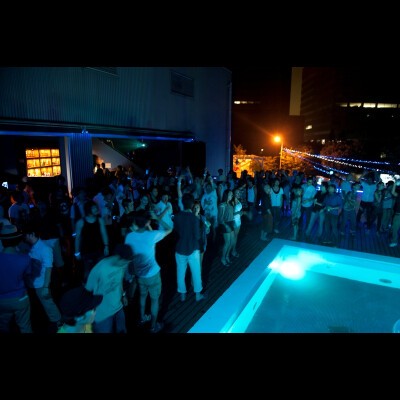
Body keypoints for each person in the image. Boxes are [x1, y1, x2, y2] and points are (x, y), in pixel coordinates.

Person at [125, 210, 172, 333]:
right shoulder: (151, 235)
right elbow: (169, 229)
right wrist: (158, 218)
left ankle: (142, 319)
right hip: (153, 274)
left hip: (139, 275)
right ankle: (153, 326)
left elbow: (129, 256)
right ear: (147, 222)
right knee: (154, 300)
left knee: (142, 296)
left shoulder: (129, 237)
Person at [85, 243, 134, 333]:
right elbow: (87, 292)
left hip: (118, 307)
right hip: (103, 314)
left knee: (122, 330)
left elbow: (119, 281)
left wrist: (123, 295)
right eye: (125, 263)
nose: (125, 266)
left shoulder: (121, 265)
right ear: (117, 257)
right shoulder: (99, 269)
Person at [0, 224, 39, 333]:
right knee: (25, 327)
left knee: (2, 327)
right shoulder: (25, 258)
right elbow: (28, 276)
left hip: (1, 301)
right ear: (17, 241)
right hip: (20, 298)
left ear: (2, 241)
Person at [173, 193, 205, 302]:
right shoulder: (194, 218)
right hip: (192, 248)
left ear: (183, 203)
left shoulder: (177, 217)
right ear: (192, 204)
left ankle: (182, 295)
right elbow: (197, 236)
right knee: (196, 272)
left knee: (180, 273)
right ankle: (198, 295)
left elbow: (176, 231)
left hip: (180, 248)